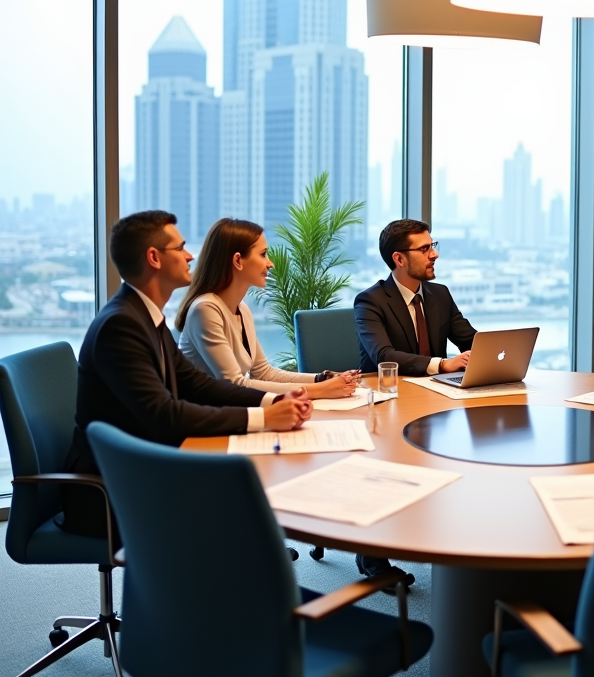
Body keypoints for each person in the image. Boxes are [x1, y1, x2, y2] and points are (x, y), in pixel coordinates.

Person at [61, 210, 312, 539]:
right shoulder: (120, 325)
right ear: (153, 257)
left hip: (146, 466)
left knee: (247, 488)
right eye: (180, 248)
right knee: (243, 497)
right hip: (112, 491)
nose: (190, 255)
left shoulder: (144, 315)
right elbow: (164, 414)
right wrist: (264, 418)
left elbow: (197, 384)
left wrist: (272, 401)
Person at [176, 217, 360, 398]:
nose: (270, 263)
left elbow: (263, 372)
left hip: (228, 412)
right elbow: (235, 384)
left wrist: (322, 379)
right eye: (263, 254)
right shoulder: (205, 309)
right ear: (238, 260)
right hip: (203, 420)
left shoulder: (242, 310)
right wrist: (321, 390)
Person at [354, 218, 477, 376]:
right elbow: (384, 356)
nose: (435, 254)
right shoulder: (370, 302)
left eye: (432, 246)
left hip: (439, 390)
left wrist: (497, 354)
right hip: (391, 391)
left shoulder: (440, 294)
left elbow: (470, 341)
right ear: (399, 259)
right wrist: (442, 364)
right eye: (424, 249)